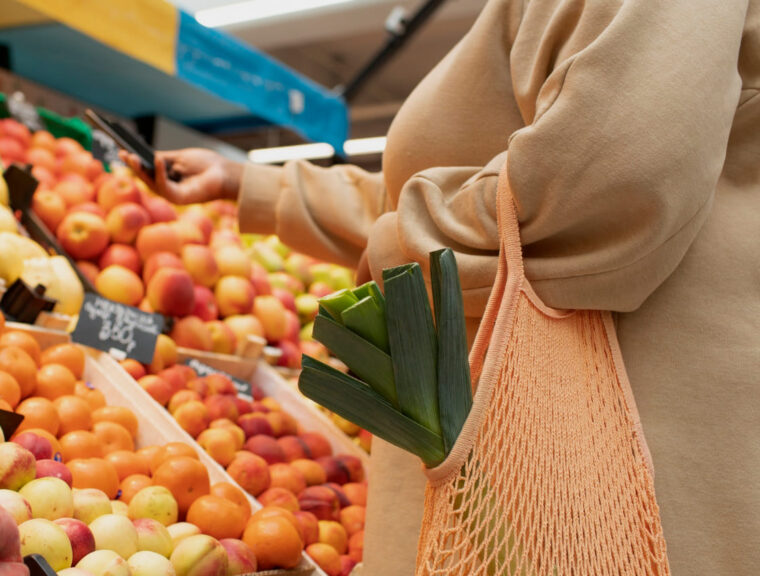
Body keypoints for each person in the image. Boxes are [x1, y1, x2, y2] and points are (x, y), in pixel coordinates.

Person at [126, 0, 760, 573]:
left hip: (588, 460)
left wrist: (399, 252)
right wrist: (250, 183)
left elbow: (611, 180)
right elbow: (450, 194)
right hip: (514, 463)